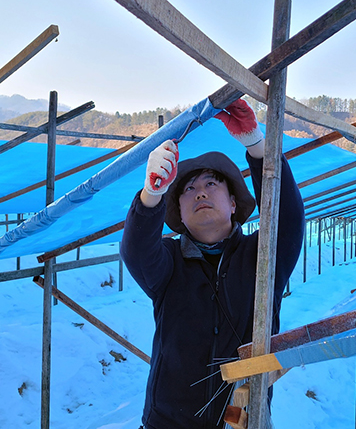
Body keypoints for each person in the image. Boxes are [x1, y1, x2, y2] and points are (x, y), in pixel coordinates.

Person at [121, 99, 305, 429]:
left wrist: (257, 145)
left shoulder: (261, 257)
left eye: (211, 184)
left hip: (242, 421)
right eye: (188, 189)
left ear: (234, 203)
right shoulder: (170, 263)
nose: (200, 193)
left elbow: (288, 218)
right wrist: (151, 194)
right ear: (177, 212)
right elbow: (136, 251)